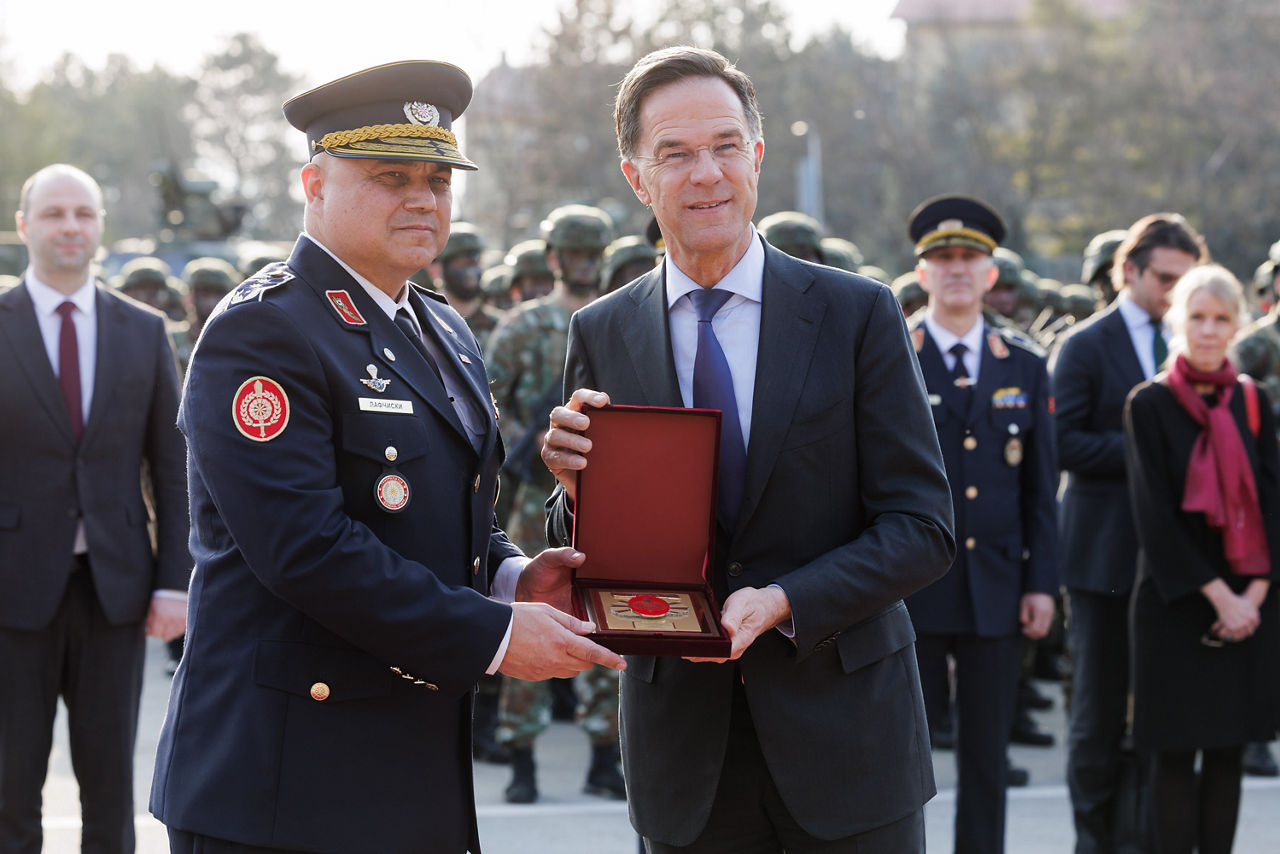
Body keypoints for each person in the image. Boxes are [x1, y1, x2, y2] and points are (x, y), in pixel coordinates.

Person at [148, 60, 624, 854]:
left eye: (439, 180)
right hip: (285, 783)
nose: (421, 198)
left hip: (407, 770)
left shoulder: (439, 326)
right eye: (389, 175)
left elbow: (443, 500)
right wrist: (497, 637)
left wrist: (509, 576)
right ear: (314, 183)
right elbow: (306, 548)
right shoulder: (264, 331)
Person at [541, 46, 954, 853]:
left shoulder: (856, 315)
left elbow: (923, 528)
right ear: (638, 178)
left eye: (727, 146)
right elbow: (585, 556)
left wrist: (786, 599)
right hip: (685, 761)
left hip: (847, 744)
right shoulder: (603, 330)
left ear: (757, 157)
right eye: (677, 154)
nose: (707, 174)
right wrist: (572, 493)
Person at [0, 163, 190, 854]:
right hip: (11, 591)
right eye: (53, 214)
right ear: (24, 226)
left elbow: (172, 469)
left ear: (100, 227)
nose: (70, 227)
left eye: (83, 213)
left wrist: (175, 582)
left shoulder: (143, 332)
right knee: (7, 789)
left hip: (117, 592)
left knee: (110, 793)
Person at [903, 194, 1058, 853]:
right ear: (922, 273)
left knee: (987, 758)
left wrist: (1042, 584)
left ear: (993, 274)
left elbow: (1039, 491)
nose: (957, 268)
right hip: (911, 588)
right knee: (902, 760)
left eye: (970, 257)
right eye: (943, 257)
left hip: (997, 588)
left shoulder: (1023, 364)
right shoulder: (892, 357)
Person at [1050, 212, 1210, 852]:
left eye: (1186, 279)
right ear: (1130, 272)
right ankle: (1094, 840)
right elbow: (1064, 444)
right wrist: (1153, 448)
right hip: (1104, 558)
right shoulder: (1086, 344)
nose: (1176, 292)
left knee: (1162, 710)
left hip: (1174, 561)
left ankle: (1145, 836)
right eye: (1165, 278)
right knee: (1097, 711)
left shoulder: (1193, 345)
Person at [1123, 264, 1280, 853]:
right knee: (1173, 755)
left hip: (1250, 604)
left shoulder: (1253, 400)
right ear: (1176, 321)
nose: (1208, 331)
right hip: (1177, 602)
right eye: (1197, 317)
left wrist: (1254, 597)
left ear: (1238, 324)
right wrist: (1222, 597)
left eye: (1220, 319)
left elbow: (1273, 502)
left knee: (1227, 753)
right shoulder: (1149, 404)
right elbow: (1155, 519)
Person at [487, 203, 625, 803]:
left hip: (605, 496)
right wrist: (528, 441)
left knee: (601, 616)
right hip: (530, 497)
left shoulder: (618, 320)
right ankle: (521, 756)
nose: (585, 265)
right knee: (532, 609)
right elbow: (485, 401)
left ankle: (603, 755)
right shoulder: (524, 325)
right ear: (553, 258)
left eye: (594, 254)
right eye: (575, 254)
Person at [433, 221, 505, 349]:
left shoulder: (502, 326)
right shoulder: (422, 323)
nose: (471, 273)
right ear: (438, 269)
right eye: (462, 264)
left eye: (476, 263)